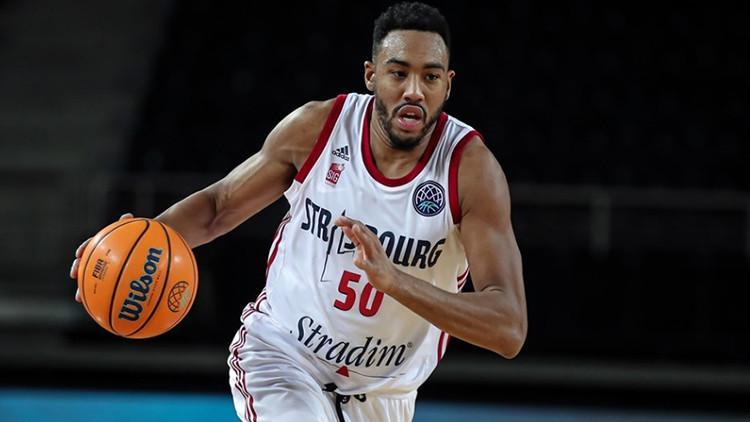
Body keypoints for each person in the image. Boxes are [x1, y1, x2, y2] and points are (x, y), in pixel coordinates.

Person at [70, 2, 527, 421]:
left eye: (430, 77)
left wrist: (395, 282)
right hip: (283, 355)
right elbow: (218, 206)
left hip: (385, 395)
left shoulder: (470, 171)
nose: (414, 91)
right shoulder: (318, 129)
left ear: (448, 84)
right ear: (371, 76)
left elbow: (507, 327)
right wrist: (132, 245)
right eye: (398, 73)